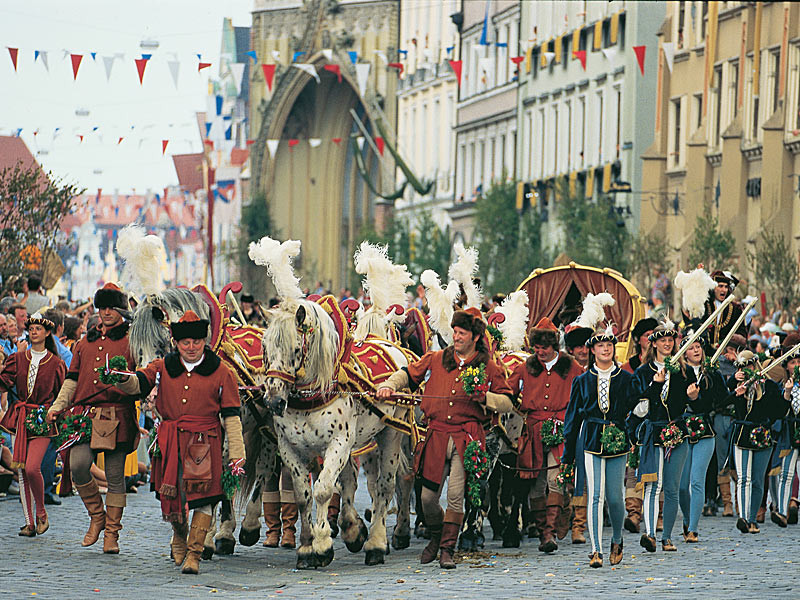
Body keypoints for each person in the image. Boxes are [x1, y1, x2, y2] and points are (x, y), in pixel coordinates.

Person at [376, 308, 513, 569]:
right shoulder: (436, 358)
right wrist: (389, 386)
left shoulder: (488, 366)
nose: (456, 337)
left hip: (468, 436)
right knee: (427, 498)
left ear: (474, 337)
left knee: (455, 495)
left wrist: (485, 399)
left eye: (462, 333)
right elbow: (408, 373)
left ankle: (448, 549)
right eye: (455, 332)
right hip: (436, 436)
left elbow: (507, 402)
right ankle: (437, 536)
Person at [113, 310, 245, 574]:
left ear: (204, 341)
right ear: (176, 342)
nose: (192, 347)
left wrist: (237, 453)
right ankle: (179, 535)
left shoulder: (222, 371)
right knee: (173, 496)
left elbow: (231, 415)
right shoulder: (163, 366)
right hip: (170, 441)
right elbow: (138, 381)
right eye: (186, 342)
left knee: (204, 498)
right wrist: (118, 377)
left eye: (197, 341)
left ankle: (194, 554)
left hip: (204, 443)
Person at [46, 283, 136, 554]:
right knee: (78, 465)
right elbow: (72, 381)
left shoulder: (131, 341)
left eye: (111, 307)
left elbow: (140, 380)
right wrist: (57, 406)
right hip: (84, 414)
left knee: (115, 475)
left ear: (121, 310)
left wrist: (125, 381)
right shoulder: (85, 342)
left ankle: (112, 533)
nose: (106, 312)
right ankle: (97, 516)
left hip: (117, 414)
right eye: (102, 307)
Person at [507, 318, 584, 553]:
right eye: (536, 347)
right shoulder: (526, 366)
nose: (540, 352)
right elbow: (507, 390)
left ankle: (549, 532)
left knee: (555, 480)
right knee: (536, 486)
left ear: (554, 347)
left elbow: (584, 394)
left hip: (562, 429)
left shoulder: (572, 368)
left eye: (545, 348)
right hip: (533, 429)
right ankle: (543, 533)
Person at [562, 326, 636, 568]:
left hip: (618, 438)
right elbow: (572, 417)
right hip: (591, 437)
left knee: (615, 498)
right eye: (601, 346)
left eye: (610, 345)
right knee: (595, 495)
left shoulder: (626, 378)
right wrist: (568, 455)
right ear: (592, 350)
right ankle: (596, 550)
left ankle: (616, 539)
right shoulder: (582, 380)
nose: (606, 349)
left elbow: (638, 406)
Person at [0, 313, 66, 536]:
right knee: (22, 471)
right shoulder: (18, 358)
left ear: (48, 333)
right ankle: (30, 523)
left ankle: (41, 512)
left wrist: (58, 414)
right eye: (32, 328)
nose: (34, 331)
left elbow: (62, 395)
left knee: (32, 466)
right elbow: (4, 382)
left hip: (43, 418)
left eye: (39, 328)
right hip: (20, 417)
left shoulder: (56, 363)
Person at [633, 320, 694, 553]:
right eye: (662, 340)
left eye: (671, 340)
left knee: (671, 487)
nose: (667, 344)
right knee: (652, 485)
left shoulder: (683, 371)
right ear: (654, 344)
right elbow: (639, 407)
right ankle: (649, 534)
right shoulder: (643, 372)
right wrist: (655, 386)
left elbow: (695, 403)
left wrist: (695, 397)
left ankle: (667, 536)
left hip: (677, 431)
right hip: (653, 431)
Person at [728, 350, 788, 534]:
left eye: (748, 366)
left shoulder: (768, 386)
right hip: (742, 432)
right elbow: (722, 403)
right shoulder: (735, 384)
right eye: (741, 367)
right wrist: (733, 385)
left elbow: (778, 411)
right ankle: (744, 518)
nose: (745, 370)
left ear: (755, 366)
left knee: (757, 479)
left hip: (763, 433)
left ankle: (753, 518)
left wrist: (786, 393)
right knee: (743, 478)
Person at [677, 335, 725, 542]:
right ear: (684, 352)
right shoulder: (678, 373)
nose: (696, 351)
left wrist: (736, 391)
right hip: (682, 430)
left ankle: (694, 528)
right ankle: (688, 519)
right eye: (691, 348)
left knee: (697, 480)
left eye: (698, 347)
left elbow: (720, 399)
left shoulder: (711, 373)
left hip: (705, 429)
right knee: (681, 484)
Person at [620, 317, 657, 533]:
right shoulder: (628, 367)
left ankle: (658, 514)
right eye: (647, 335)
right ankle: (634, 514)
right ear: (638, 339)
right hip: (634, 423)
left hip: (657, 422)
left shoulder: (664, 365)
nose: (651, 339)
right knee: (632, 468)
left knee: (657, 469)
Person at [768, 336, 800, 527]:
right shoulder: (782, 386)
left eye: (799, 362)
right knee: (786, 472)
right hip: (790, 431)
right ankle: (781, 510)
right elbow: (780, 410)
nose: (796, 365)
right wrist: (787, 393)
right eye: (793, 362)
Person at [700, 271, 747, 349]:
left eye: (726, 287)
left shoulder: (736, 309)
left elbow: (742, 331)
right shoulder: (704, 306)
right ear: (713, 288)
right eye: (720, 286)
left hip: (726, 353)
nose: (724, 290)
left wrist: (736, 338)